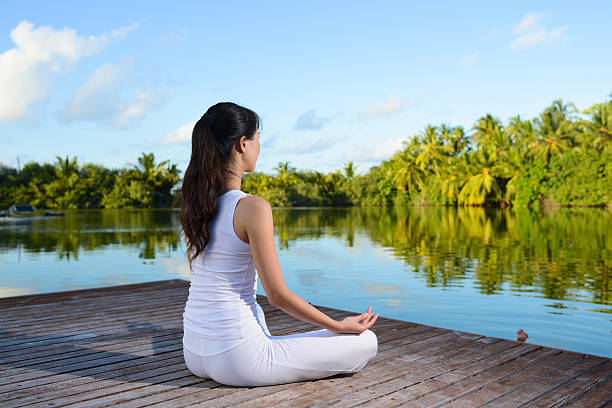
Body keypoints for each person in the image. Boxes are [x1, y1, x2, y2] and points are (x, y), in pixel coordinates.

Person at [179, 102, 379, 387]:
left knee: (261, 319)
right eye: (258, 138)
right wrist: (337, 325)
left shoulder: (194, 207)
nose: (260, 146)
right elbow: (277, 295)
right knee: (366, 341)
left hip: (194, 353)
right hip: (239, 360)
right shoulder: (252, 208)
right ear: (242, 144)